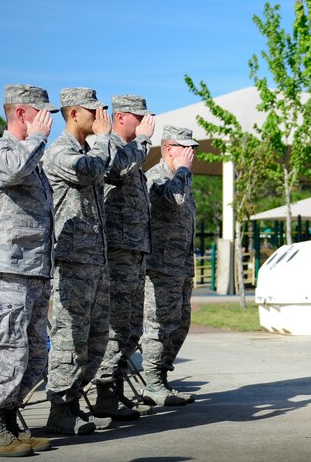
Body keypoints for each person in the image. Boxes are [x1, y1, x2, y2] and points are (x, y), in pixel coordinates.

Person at [0, 84, 58, 456]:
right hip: (7, 273)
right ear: (21, 113)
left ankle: (9, 421)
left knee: (35, 357)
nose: (47, 121)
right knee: (8, 351)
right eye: (41, 114)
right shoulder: (3, 151)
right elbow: (12, 173)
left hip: (35, 271)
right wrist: (38, 138)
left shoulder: (33, 158)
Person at [43, 87, 114, 435]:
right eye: (94, 111)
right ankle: (59, 411)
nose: (101, 117)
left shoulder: (89, 150)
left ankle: (74, 403)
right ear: (74, 114)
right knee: (70, 337)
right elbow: (88, 172)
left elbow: (105, 168)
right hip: (72, 262)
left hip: (94, 261)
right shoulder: (60, 152)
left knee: (95, 338)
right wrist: (104, 140)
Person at [91, 95, 156, 421]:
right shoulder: (109, 146)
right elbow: (114, 171)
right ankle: (104, 394)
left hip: (134, 250)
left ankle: (112, 389)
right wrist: (143, 140)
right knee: (116, 327)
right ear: (121, 117)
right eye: (140, 117)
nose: (146, 122)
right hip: (116, 251)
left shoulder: (132, 150)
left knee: (131, 328)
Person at [142, 125, 198, 407]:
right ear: (167, 149)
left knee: (180, 324)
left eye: (193, 149)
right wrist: (183, 171)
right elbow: (174, 201)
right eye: (184, 148)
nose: (190, 154)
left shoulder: (181, 179)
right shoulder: (157, 178)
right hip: (160, 267)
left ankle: (161, 379)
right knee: (159, 325)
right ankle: (151, 382)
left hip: (181, 265)